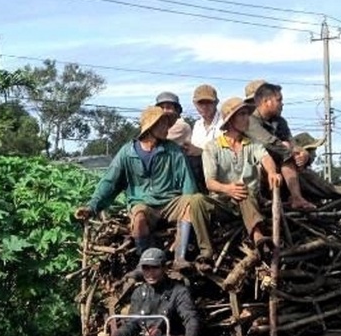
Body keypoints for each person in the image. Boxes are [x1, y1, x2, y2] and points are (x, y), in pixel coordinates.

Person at [75, 105, 213, 265]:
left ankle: (179, 256)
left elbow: (188, 183)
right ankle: (144, 263)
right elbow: (109, 182)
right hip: (143, 204)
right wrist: (92, 207)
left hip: (170, 203)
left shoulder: (173, 150)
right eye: (162, 125)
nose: (167, 129)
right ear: (151, 127)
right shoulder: (127, 152)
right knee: (139, 217)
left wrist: (190, 203)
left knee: (191, 201)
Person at [202, 97, 281, 252]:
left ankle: (258, 236)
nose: (247, 119)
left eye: (247, 114)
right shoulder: (212, 147)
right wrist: (228, 189)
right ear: (231, 121)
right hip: (223, 201)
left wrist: (272, 172)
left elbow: (265, 157)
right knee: (202, 200)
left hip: (249, 197)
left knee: (243, 191)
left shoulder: (251, 143)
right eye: (242, 114)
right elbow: (210, 183)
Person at [246, 82, 316, 210]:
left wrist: (302, 153)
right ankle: (296, 198)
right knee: (283, 149)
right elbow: (270, 142)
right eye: (279, 100)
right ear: (266, 101)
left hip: (280, 165)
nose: (282, 104)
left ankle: (297, 198)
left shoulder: (280, 121)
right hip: (257, 167)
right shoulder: (250, 121)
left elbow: (292, 143)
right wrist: (291, 152)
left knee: (291, 148)